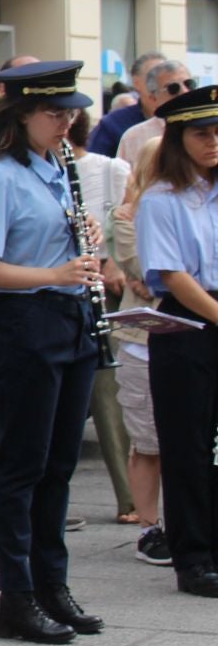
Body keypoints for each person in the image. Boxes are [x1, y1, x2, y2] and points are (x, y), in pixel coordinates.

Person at [0, 60, 106, 644]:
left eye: (71, 113)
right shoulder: (1, 179)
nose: (66, 123)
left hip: (70, 318)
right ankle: (16, 597)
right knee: (22, 466)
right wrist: (55, 269)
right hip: (27, 320)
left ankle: (53, 586)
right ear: (21, 117)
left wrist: (85, 234)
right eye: (54, 113)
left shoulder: (57, 168)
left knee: (59, 464)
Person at [133, 83, 218, 597]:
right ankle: (194, 556)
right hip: (188, 320)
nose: (213, 143)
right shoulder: (162, 199)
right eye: (202, 134)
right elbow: (173, 273)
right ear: (178, 138)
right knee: (187, 444)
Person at [69, 110, 137, 523]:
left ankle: (128, 496)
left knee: (108, 396)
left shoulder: (109, 168)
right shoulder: (39, 172)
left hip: (101, 292)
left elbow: (126, 217)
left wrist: (115, 264)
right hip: (59, 291)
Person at [114, 137, 172, 567]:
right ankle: (149, 527)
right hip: (143, 343)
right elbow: (148, 272)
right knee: (149, 440)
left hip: (188, 337)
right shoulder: (129, 215)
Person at [118, 60, 195, 170]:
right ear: (153, 98)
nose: (184, 91)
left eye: (189, 84)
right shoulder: (134, 137)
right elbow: (124, 183)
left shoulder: (211, 129)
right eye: (173, 88)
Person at [88, 52, 166, 157]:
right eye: (153, 76)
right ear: (136, 82)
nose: (162, 83)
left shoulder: (185, 119)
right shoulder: (113, 123)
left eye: (167, 77)